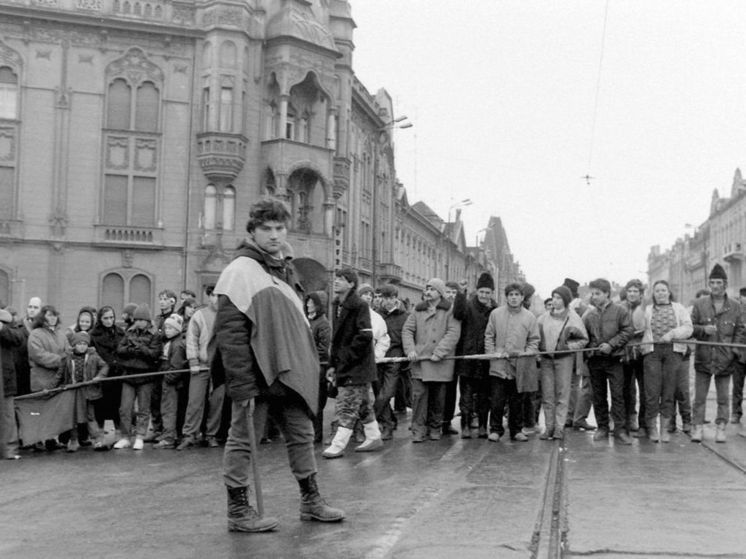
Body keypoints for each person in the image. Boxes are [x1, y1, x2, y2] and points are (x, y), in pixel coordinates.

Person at [211, 197, 343, 532]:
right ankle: (238, 510)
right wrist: (241, 384)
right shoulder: (238, 271)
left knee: (301, 435)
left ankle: (310, 500)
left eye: (279, 228)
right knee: (244, 440)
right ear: (252, 231)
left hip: (288, 372)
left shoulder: (286, 268)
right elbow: (230, 334)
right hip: (256, 373)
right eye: (266, 228)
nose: (273, 234)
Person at [323, 269, 383, 457]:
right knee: (363, 404)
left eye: (342, 279)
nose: (337, 281)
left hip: (357, 365)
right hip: (344, 364)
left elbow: (365, 335)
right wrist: (333, 364)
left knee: (347, 404)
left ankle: (338, 444)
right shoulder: (336, 304)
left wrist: (344, 359)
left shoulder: (359, 305)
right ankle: (373, 437)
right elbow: (336, 338)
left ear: (351, 284)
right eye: (336, 278)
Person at [690, 264, 745, 443]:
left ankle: (721, 427)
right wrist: (703, 329)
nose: (714, 286)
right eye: (712, 282)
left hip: (725, 359)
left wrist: (734, 350)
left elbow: (740, 330)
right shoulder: (699, 304)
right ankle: (697, 427)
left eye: (718, 282)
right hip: (704, 358)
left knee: (723, 398)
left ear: (725, 284)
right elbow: (689, 327)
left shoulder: (736, 306)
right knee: (699, 397)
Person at [402, 278, 461, 442]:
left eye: (432, 289)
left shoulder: (450, 311)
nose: (427, 292)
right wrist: (410, 350)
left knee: (438, 397)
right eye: (426, 289)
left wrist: (439, 352)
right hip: (420, 361)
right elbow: (407, 330)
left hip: (441, 362)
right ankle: (418, 430)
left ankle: (435, 427)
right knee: (419, 396)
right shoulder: (417, 310)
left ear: (440, 293)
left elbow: (453, 333)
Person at [484, 283, 540, 442]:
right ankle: (495, 429)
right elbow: (489, 336)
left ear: (522, 297)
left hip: (519, 366)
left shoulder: (529, 317)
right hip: (498, 365)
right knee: (496, 400)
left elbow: (534, 340)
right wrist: (492, 353)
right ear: (506, 297)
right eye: (511, 295)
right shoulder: (496, 314)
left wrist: (527, 353)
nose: (514, 298)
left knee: (517, 401)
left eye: (517, 295)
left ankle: (516, 429)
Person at [639, 280, 693, 442]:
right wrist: (642, 306)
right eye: (657, 291)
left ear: (669, 292)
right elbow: (638, 326)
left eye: (663, 290)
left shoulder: (679, 308)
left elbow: (688, 328)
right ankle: (652, 428)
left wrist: (672, 334)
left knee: (669, 391)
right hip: (652, 352)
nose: (661, 293)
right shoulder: (647, 309)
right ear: (653, 294)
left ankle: (665, 428)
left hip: (673, 352)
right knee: (652, 391)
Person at [583, 278, 634, 445]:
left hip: (615, 360)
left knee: (618, 395)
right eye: (592, 293)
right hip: (595, 361)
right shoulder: (589, 315)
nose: (594, 296)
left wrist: (611, 345)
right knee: (598, 396)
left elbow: (627, 331)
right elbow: (585, 337)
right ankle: (602, 427)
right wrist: (592, 348)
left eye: (598, 293)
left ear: (607, 293)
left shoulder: (620, 311)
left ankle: (620, 430)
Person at [537, 286, 588, 440]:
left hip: (564, 360)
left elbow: (583, 339)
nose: (555, 301)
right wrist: (539, 353)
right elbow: (535, 337)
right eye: (553, 297)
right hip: (547, 360)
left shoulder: (573, 318)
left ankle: (559, 428)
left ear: (565, 300)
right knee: (547, 395)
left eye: (559, 298)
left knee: (562, 394)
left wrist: (568, 347)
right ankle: (549, 427)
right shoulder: (543, 318)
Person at [453, 273, 497, 439]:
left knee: (484, 395)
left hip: (486, 360)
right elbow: (457, 313)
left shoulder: (495, 310)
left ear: (491, 293)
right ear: (477, 291)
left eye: (487, 292)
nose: (484, 295)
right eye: (482, 292)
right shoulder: (468, 306)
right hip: (468, 357)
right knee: (466, 395)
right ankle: (464, 426)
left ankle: (482, 427)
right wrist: (461, 293)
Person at [179, 286, 224, 450]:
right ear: (208, 296)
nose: (217, 299)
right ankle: (190, 434)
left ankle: (211, 434)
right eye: (214, 296)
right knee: (195, 401)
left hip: (220, 367)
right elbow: (191, 339)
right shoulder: (199, 315)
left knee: (217, 403)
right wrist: (193, 361)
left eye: (220, 296)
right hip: (201, 365)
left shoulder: (227, 316)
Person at [114, 304, 161, 450]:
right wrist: (130, 349)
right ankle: (125, 437)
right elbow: (119, 350)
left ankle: (140, 436)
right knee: (125, 408)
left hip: (145, 376)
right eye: (137, 319)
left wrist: (140, 349)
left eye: (142, 319)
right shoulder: (129, 332)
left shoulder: (155, 335)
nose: (139, 322)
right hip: (128, 375)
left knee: (143, 408)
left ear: (147, 321)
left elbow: (154, 354)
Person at [58, 332, 109, 451]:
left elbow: (104, 366)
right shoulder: (67, 358)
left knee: (90, 416)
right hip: (73, 393)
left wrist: (99, 377)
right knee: (73, 417)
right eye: (79, 344)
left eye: (85, 344)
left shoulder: (93, 356)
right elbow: (60, 374)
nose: (82, 346)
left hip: (88, 392)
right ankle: (74, 440)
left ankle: (97, 439)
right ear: (74, 345)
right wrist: (50, 388)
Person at [375, 284, 410, 440]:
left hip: (395, 357)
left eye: (391, 298)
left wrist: (407, 356)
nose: (388, 301)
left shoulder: (405, 316)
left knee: (386, 393)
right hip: (377, 357)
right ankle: (389, 422)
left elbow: (408, 337)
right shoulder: (376, 315)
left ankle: (376, 419)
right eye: (385, 298)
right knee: (378, 391)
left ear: (397, 299)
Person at [89, 306, 125, 442]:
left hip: (118, 375)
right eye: (106, 318)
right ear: (100, 319)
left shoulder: (120, 332)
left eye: (111, 317)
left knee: (118, 405)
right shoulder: (94, 335)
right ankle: (101, 437)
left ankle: (118, 434)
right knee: (101, 406)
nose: (109, 321)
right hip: (102, 375)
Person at [564, 278, 595, 431]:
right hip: (581, 351)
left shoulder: (567, 308)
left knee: (569, 384)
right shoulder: (586, 308)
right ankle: (574, 416)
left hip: (567, 350)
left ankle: (569, 416)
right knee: (577, 384)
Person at [154, 314, 188, 449]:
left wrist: (168, 378)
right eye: (166, 327)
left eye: (170, 328)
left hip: (171, 383)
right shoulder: (169, 342)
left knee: (169, 409)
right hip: (166, 380)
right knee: (165, 408)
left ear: (177, 329)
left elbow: (176, 366)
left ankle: (169, 438)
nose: (167, 330)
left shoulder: (177, 345)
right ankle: (167, 433)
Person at [620, 279, 647, 436]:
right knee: (625, 388)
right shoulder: (620, 308)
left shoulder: (646, 307)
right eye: (629, 291)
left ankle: (643, 423)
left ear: (641, 294)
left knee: (645, 389)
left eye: (635, 291)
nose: (632, 294)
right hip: (625, 353)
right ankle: (627, 418)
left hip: (643, 352)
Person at [305, 291, 331, 444]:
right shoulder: (307, 321)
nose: (308, 305)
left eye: (312, 302)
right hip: (307, 366)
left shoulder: (323, 323)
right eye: (308, 302)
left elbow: (323, 347)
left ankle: (317, 433)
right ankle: (310, 431)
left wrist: (307, 352)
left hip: (318, 366)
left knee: (317, 402)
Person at [0, 307, 25, 459]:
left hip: (5, 377)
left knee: (8, 415)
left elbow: (18, 339)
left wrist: (2, 328)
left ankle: (9, 450)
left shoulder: (7, 320)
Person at [731, 286, 746, 424]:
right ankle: (736, 412)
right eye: (743, 297)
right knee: (737, 386)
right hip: (739, 356)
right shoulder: (736, 312)